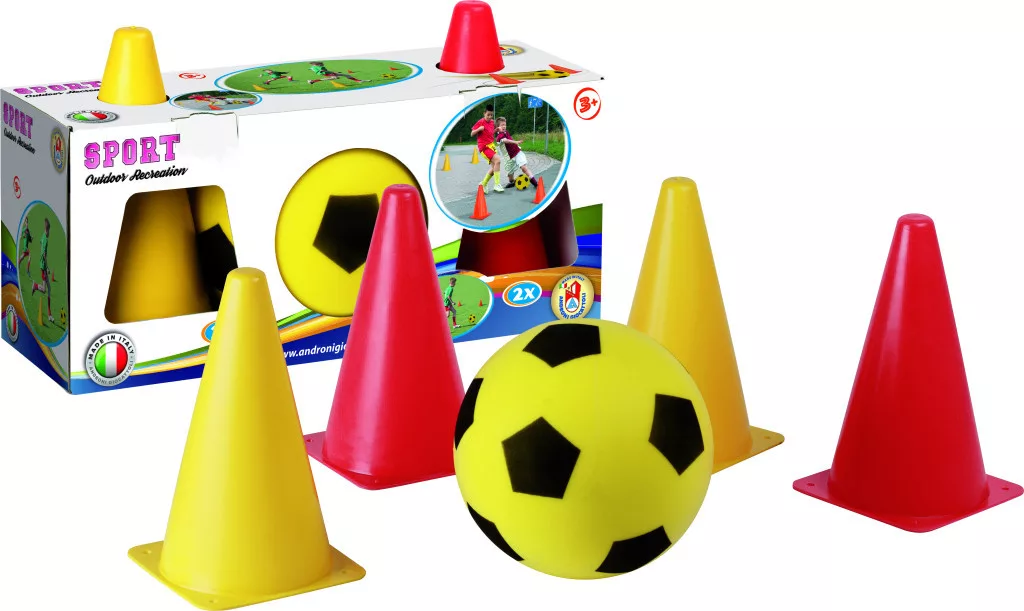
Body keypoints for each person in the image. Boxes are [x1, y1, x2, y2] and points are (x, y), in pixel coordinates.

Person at [494, 117, 539, 189]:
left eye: (505, 125)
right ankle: (512, 182)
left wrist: (515, 143)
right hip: (509, 158)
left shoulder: (506, 132)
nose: (504, 126)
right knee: (510, 175)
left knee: (524, 168)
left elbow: (509, 139)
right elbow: (505, 140)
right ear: (497, 127)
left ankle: (535, 183)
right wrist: (515, 142)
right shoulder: (499, 137)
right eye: (502, 125)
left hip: (517, 153)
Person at [470, 104, 504, 193]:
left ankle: (483, 184)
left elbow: (490, 133)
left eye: (491, 115)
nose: (489, 117)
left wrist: (496, 130)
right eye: (488, 114)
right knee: (498, 160)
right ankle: (497, 184)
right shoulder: (480, 122)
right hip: (484, 147)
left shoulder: (492, 122)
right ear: (484, 113)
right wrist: (479, 129)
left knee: (494, 168)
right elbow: (472, 133)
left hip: (491, 146)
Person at [30, 218, 54, 324]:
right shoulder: (46, 239)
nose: (49, 233)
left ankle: (49, 315)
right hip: (43, 267)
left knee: (49, 289)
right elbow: (44, 254)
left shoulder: (43, 236)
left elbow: (40, 242)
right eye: (49, 231)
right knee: (44, 289)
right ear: (47, 229)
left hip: (42, 265)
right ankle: (35, 286)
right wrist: (47, 268)